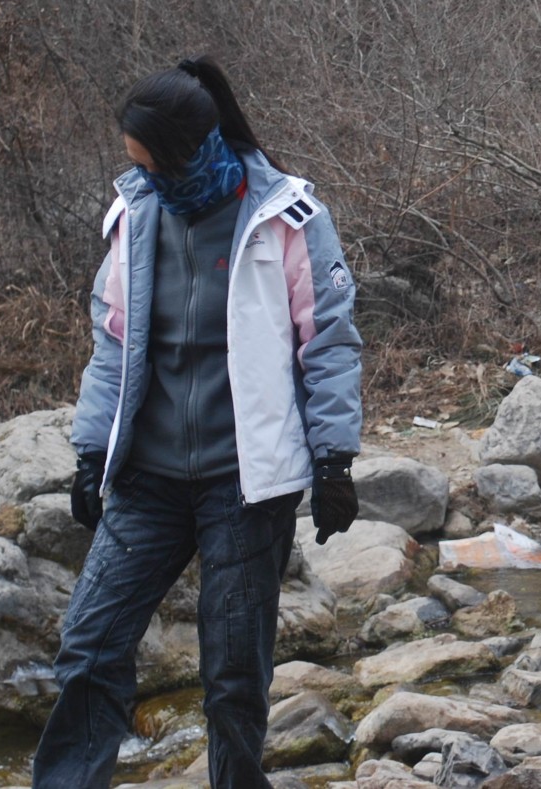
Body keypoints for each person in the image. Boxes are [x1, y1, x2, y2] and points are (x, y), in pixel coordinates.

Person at [34, 58, 363, 789]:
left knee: (233, 674)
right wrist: (92, 451)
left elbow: (330, 342)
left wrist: (334, 458)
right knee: (89, 644)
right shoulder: (136, 214)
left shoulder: (285, 216)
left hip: (244, 486)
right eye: (134, 166)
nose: (141, 178)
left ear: (189, 150)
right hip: (148, 481)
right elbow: (114, 339)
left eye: (149, 164)